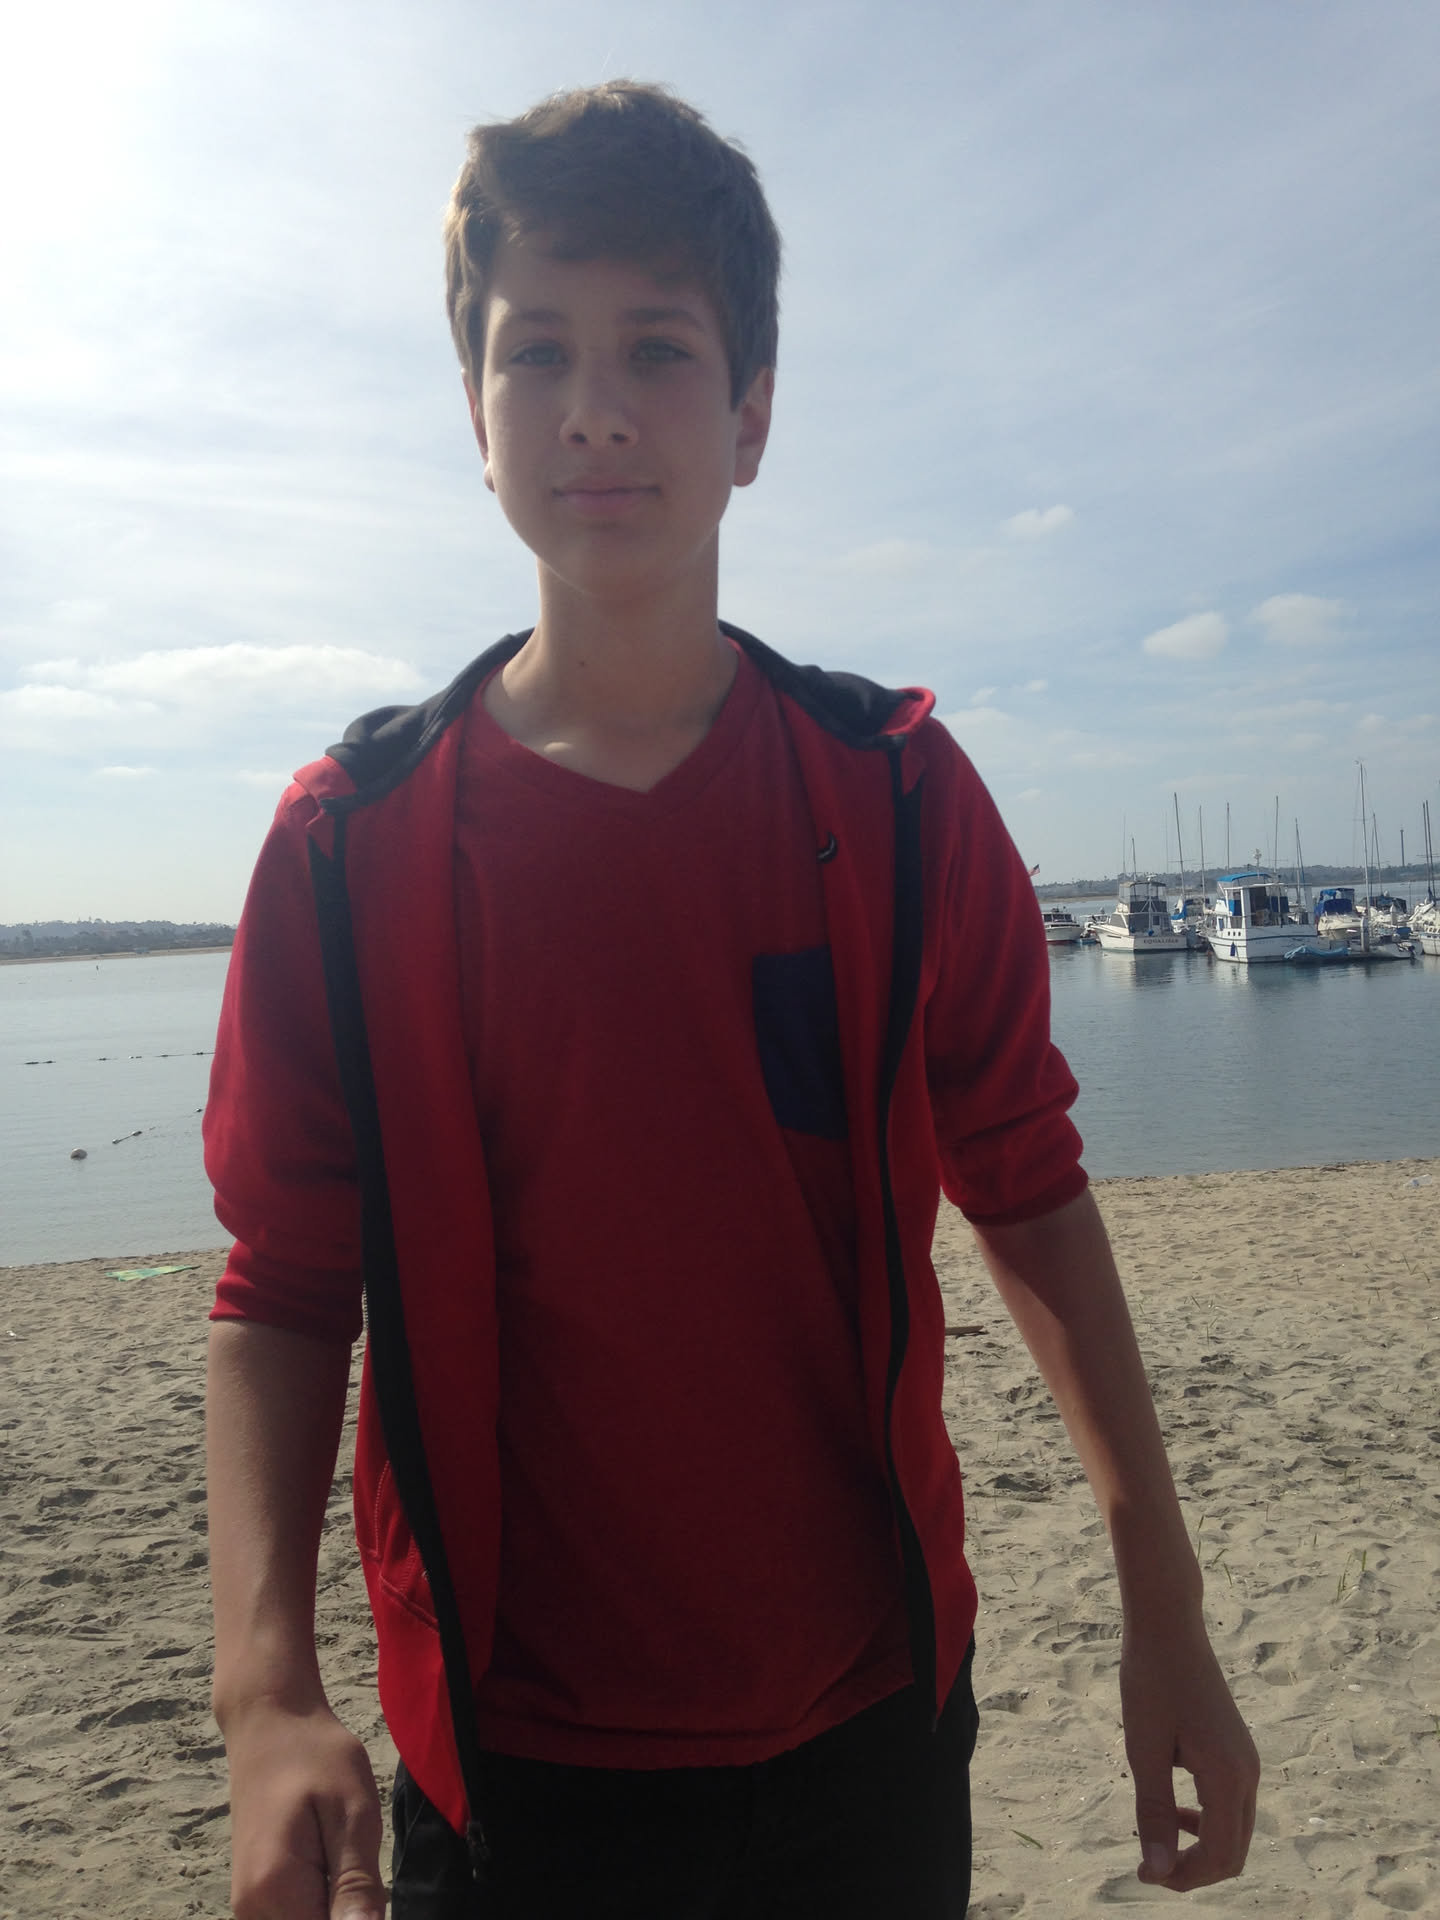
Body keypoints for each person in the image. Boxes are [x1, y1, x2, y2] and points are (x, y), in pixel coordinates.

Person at [203, 81, 1259, 1920]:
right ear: (474, 414)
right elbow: (284, 1289)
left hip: (870, 1739)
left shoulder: (897, 801)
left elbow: (1026, 1188)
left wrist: (1161, 1601)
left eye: (659, 348)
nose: (595, 406)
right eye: (537, 349)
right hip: (509, 1772)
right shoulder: (350, 847)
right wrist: (265, 1689)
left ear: (753, 414)